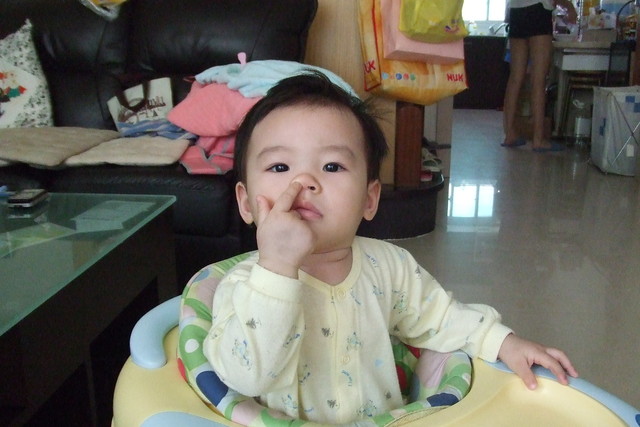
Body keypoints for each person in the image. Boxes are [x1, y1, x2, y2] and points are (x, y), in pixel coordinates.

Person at [204, 71, 578, 424]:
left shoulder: (390, 267)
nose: (304, 181)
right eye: (279, 167)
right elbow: (247, 377)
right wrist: (276, 267)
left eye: (332, 167)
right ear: (247, 203)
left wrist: (504, 342)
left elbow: (441, 317)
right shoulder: (241, 286)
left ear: (369, 199)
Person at [502, 0, 577, 152]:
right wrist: (570, 7)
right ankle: (538, 140)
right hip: (538, 11)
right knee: (538, 80)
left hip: (516, 12)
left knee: (515, 78)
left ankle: (510, 134)